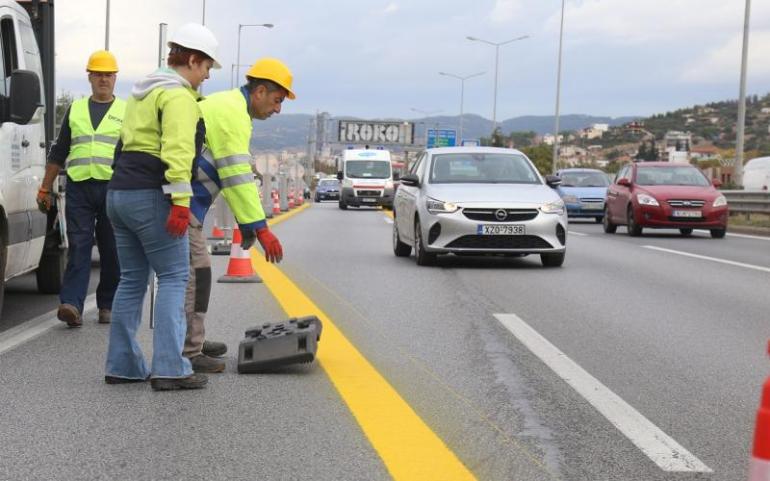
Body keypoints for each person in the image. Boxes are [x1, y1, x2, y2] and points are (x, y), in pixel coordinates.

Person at [104, 23, 220, 391]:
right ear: (191, 59)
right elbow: (178, 152)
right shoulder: (178, 98)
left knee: (131, 280)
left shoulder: (141, 93)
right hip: (153, 194)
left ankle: (122, 365)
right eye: (205, 68)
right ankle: (171, 366)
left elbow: (123, 144)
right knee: (173, 277)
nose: (205, 77)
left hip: (119, 193)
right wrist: (181, 204)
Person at [185, 58, 292, 373]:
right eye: (276, 101)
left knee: (191, 274)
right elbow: (236, 176)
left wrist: (247, 224)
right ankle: (188, 351)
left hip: (184, 202)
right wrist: (261, 229)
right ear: (259, 91)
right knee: (195, 275)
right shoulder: (233, 113)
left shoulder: (230, 106)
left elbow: (230, 174)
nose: (278, 110)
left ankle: (191, 340)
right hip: (180, 204)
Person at [37, 50, 124, 327]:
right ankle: (71, 304)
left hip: (113, 188)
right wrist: (44, 188)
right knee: (79, 246)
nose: (103, 79)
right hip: (80, 188)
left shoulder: (127, 112)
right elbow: (59, 151)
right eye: (98, 74)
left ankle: (107, 304)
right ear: (89, 77)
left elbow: (136, 152)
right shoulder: (75, 109)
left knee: (111, 249)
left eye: (108, 75)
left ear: (115, 78)